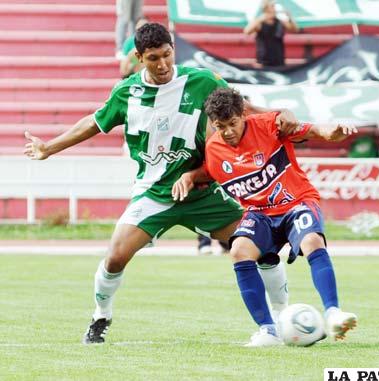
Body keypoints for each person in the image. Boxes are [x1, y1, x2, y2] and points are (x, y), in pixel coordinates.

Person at [24, 23, 295, 347]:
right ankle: (101, 315)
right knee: (114, 258)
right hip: (154, 194)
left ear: (173, 50)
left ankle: (283, 319)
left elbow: (243, 109)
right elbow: (93, 123)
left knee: (263, 249)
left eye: (167, 55)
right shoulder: (127, 93)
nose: (163, 64)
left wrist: (279, 116)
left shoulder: (202, 81)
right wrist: (49, 148)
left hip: (203, 190)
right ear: (139, 57)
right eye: (154, 58)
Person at [172, 88, 358, 343]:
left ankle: (334, 313)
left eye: (233, 124)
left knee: (312, 240)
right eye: (220, 126)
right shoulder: (215, 147)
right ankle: (268, 330)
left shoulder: (270, 125)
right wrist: (190, 176)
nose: (227, 132)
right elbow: (210, 171)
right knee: (239, 250)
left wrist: (331, 133)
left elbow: (312, 130)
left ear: (243, 116)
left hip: (296, 202)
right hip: (259, 213)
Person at [244, 0, 298, 69]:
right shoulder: (260, 22)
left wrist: (289, 16)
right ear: (266, 8)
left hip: (279, 61)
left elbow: (295, 30)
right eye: (272, 6)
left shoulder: (280, 22)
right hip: (263, 62)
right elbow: (247, 31)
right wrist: (261, 18)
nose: (275, 8)